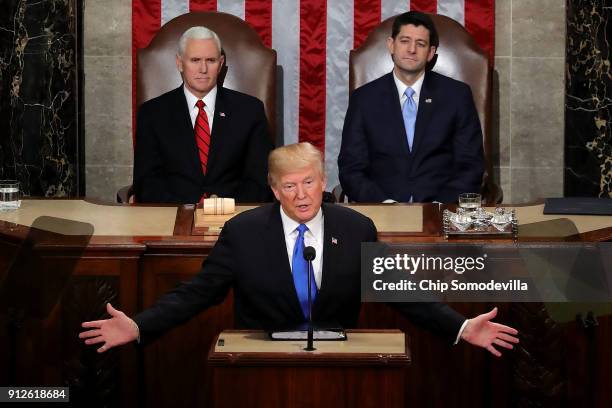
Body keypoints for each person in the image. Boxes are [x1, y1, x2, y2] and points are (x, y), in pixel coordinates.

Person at [81, 142, 517, 357]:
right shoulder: (244, 232)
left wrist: (460, 328)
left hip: (338, 361)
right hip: (261, 361)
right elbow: (196, 294)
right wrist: (139, 326)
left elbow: (400, 291)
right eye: (290, 185)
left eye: (309, 182)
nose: (303, 194)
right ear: (274, 190)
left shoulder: (356, 228)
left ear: (323, 181)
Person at [338, 11, 484, 203]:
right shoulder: (364, 99)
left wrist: (438, 207)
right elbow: (351, 169)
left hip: (440, 212)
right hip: (381, 210)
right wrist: (385, 204)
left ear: (431, 53)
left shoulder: (457, 96)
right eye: (405, 41)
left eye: (420, 44)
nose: (411, 49)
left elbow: (470, 166)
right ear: (391, 45)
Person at [133, 26, 272, 204]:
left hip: (234, 217)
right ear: (179, 63)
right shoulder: (152, 113)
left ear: (220, 64)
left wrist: (226, 209)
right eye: (195, 60)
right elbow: (146, 182)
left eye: (211, 60)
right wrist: (185, 211)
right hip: (172, 216)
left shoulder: (250, 110)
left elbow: (259, 179)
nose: (203, 69)